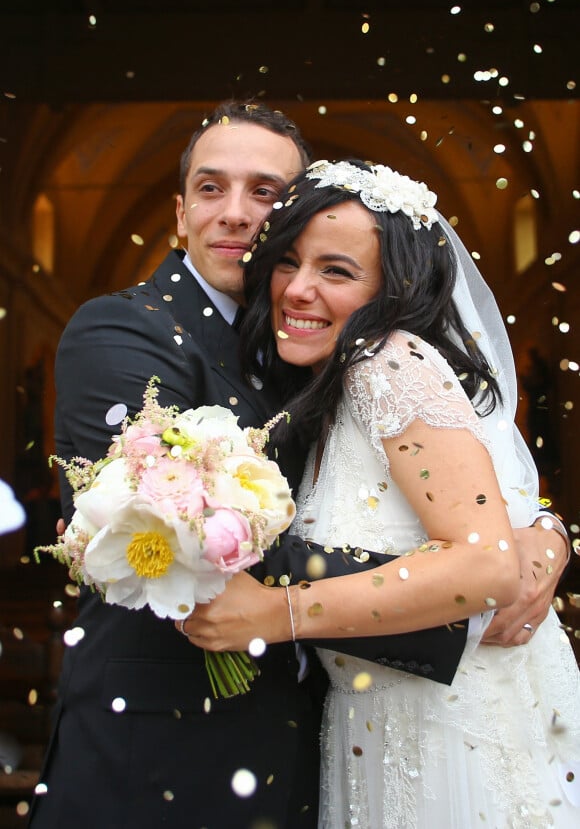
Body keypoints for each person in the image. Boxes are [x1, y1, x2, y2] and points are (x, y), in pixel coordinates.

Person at [30, 102, 487, 829]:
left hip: (310, 750)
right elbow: (187, 533)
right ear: (180, 214)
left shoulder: (319, 341)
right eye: (211, 189)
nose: (235, 213)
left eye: (266, 193)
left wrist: (534, 531)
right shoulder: (122, 328)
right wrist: (458, 587)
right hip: (158, 758)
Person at [183, 159, 580, 827]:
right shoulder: (332, 389)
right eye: (288, 262)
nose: (298, 289)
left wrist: (278, 613)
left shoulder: (388, 361)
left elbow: (484, 563)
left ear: (388, 290)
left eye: (336, 271)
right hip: (376, 728)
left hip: (454, 738)